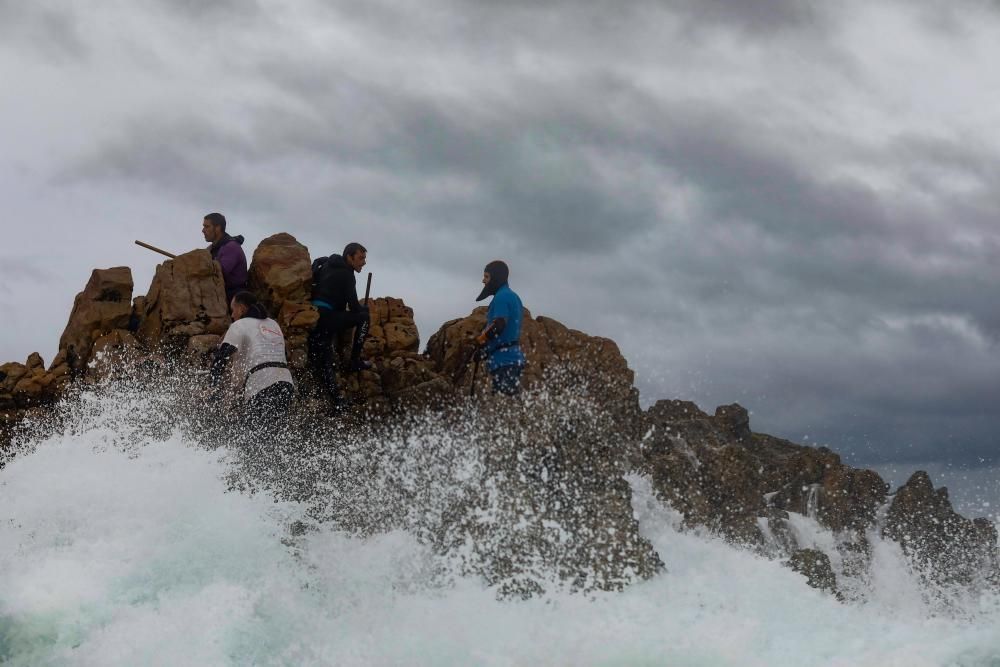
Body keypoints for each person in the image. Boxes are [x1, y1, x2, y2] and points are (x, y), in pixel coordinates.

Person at [209, 291, 295, 428]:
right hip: (286, 383)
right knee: (273, 434)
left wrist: (212, 387)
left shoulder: (239, 325)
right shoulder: (273, 324)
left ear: (241, 308)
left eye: (233, 310)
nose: (232, 315)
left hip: (261, 385)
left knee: (252, 440)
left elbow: (221, 357)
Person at [307, 242, 371, 405]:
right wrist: (364, 309)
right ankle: (355, 360)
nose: (363, 262)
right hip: (328, 317)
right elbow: (355, 307)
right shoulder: (347, 275)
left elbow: (317, 261)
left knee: (324, 357)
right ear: (349, 257)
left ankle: (335, 399)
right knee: (364, 316)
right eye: (360, 258)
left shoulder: (328, 261)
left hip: (317, 315)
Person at [474, 260, 526, 396]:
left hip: (504, 361)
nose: (483, 281)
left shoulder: (502, 297)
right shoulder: (513, 296)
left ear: (495, 278)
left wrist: (480, 340)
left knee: (504, 405)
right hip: (510, 359)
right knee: (507, 406)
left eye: (486, 277)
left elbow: (499, 324)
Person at [202, 212, 248, 301]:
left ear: (218, 228)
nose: (203, 230)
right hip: (220, 292)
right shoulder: (211, 249)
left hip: (233, 296)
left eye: (207, 226)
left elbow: (218, 274)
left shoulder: (231, 247)